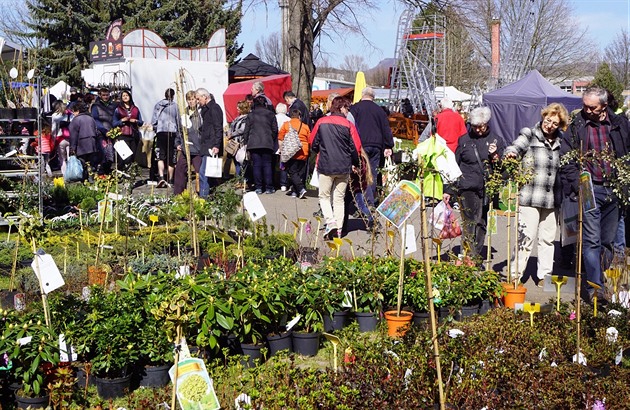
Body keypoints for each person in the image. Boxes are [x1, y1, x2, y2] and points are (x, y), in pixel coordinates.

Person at [560, 85, 630, 303]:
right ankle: (595, 289)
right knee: (591, 240)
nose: (587, 110)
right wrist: (578, 185)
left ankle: (600, 277)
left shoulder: (620, 124)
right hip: (589, 188)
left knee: (608, 241)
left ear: (604, 106)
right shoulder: (577, 125)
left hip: (614, 188)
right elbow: (567, 159)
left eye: (592, 107)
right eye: (585, 106)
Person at [504, 103, 569, 286]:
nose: (550, 125)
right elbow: (515, 147)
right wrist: (511, 154)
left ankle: (544, 276)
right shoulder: (529, 134)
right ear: (543, 117)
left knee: (547, 239)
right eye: (548, 120)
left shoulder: (562, 140)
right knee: (526, 237)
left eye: (555, 123)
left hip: (552, 199)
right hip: (530, 196)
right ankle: (515, 275)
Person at [454, 106, 505, 257]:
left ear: (487, 123)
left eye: (480, 126)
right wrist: (450, 189)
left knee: (481, 221)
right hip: (467, 185)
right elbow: (456, 164)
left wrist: (495, 156)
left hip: (486, 187)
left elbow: (501, 168)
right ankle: (469, 254)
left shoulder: (496, 140)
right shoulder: (464, 140)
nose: (477, 130)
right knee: (470, 220)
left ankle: (476, 253)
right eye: (475, 126)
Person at [311, 96, 360, 239]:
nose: (348, 111)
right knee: (339, 198)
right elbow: (356, 147)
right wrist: (355, 163)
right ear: (341, 107)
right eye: (347, 108)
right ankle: (338, 229)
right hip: (344, 166)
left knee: (324, 196)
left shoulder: (321, 122)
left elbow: (312, 142)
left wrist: (320, 149)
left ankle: (330, 222)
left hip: (326, 164)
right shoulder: (349, 125)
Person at [349, 86, 394, 207]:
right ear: (373, 97)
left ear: (362, 95)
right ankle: (370, 201)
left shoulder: (355, 108)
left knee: (359, 172)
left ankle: (360, 201)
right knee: (372, 173)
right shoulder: (380, 110)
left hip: (361, 144)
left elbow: (350, 126)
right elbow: (386, 129)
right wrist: (389, 145)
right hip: (376, 145)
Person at [243, 95, 278, 194]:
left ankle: (258, 187)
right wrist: (271, 139)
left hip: (254, 143)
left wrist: (246, 142)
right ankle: (269, 187)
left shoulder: (251, 115)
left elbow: (247, 130)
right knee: (267, 165)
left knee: (256, 165)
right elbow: (275, 130)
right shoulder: (271, 114)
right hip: (267, 142)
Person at [173, 90, 204, 196]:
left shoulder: (200, 113)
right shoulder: (184, 113)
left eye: (193, 99)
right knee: (180, 170)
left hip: (197, 147)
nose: (191, 102)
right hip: (185, 147)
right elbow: (179, 130)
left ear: (196, 100)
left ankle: (202, 193)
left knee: (200, 171)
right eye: (189, 100)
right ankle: (179, 194)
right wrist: (178, 143)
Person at [197, 89, 224, 197]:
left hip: (211, 145)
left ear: (205, 96)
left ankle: (203, 199)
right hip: (206, 144)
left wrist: (216, 145)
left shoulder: (214, 108)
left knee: (204, 173)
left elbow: (218, 127)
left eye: (199, 99)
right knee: (209, 174)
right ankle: (212, 196)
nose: (198, 101)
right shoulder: (206, 110)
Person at [151, 88, 180, 187]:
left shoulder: (158, 105)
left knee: (160, 157)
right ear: (173, 95)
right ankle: (171, 179)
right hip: (172, 132)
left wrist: (156, 128)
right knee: (171, 157)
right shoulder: (175, 106)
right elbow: (178, 121)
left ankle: (161, 177)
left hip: (161, 132)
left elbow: (154, 120)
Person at [278, 109, 310, 198]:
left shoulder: (286, 125)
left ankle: (300, 189)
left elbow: (280, 138)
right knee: (298, 173)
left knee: (292, 172)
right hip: (303, 151)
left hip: (291, 152)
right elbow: (309, 140)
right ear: (299, 116)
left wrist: (281, 151)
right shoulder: (305, 126)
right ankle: (294, 192)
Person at [113, 90, 143, 170]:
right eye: (123, 96)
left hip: (133, 135)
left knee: (132, 157)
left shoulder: (135, 109)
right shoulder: (118, 109)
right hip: (122, 135)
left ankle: (128, 175)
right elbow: (114, 123)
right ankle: (121, 172)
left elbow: (141, 122)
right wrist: (121, 121)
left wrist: (136, 121)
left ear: (130, 97)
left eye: (127, 95)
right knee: (126, 156)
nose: (125, 97)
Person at [69, 101, 99, 181]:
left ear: (77, 111)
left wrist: (72, 149)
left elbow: (73, 136)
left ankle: (84, 181)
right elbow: (96, 131)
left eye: (74, 111)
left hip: (81, 146)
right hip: (92, 144)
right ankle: (91, 180)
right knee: (91, 165)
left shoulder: (76, 120)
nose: (73, 113)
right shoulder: (91, 118)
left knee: (81, 165)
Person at [91, 87, 116, 174]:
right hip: (101, 132)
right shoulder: (96, 106)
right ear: (100, 96)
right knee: (103, 152)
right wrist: (104, 130)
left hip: (112, 131)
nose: (106, 97)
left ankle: (107, 170)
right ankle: (101, 171)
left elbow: (115, 117)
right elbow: (95, 119)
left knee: (111, 152)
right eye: (104, 95)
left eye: (107, 95)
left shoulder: (113, 105)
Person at [225, 100, 250, 181]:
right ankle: (238, 179)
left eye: (239, 107)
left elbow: (242, 129)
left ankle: (243, 180)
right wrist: (228, 133)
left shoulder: (246, 118)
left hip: (241, 143)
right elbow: (231, 127)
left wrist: (232, 134)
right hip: (234, 142)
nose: (237, 108)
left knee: (241, 161)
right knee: (235, 160)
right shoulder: (237, 118)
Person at [51, 100, 72, 176]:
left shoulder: (55, 116)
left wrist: (52, 140)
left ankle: (65, 175)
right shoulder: (69, 114)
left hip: (60, 138)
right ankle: (72, 173)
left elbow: (53, 129)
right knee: (70, 157)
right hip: (70, 137)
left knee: (62, 159)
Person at [275, 103, 291, 191]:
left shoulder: (274, 118)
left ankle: (273, 181)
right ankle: (283, 184)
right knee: (283, 165)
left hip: (274, 144)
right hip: (285, 145)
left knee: (273, 164)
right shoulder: (289, 119)